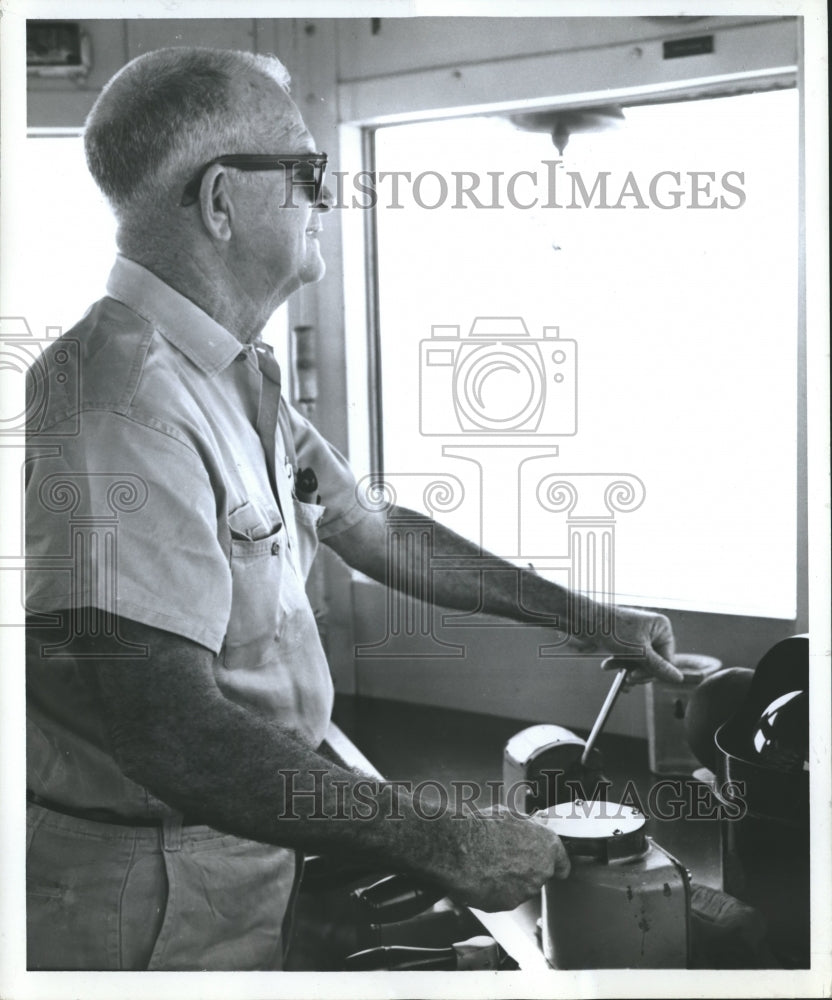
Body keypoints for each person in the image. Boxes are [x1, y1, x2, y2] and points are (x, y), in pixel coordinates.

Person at [25, 46, 681, 971]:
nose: (328, 198)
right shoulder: (119, 399)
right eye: (308, 172)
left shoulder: (234, 372)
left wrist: (589, 619)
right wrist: (440, 839)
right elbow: (166, 730)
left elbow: (375, 530)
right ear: (221, 202)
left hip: (246, 842)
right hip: (148, 891)